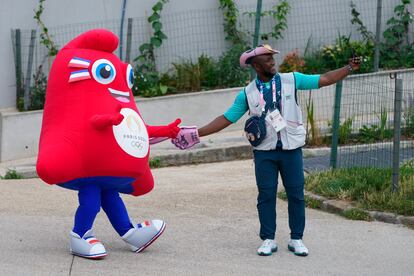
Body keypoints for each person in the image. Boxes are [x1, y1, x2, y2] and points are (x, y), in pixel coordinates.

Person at [172, 44, 361, 257]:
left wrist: (349, 68)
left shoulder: (292, 79)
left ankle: (296, 238)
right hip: (264, 152)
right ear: (256, 65)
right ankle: (268, 239)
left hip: (291, 149)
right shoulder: (247, 93)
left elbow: (324, 79)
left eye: (273, 58)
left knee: (296, 195)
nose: (273, 62)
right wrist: (197, 133)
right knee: (266, 195)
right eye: (268, 59)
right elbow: (226, 118)